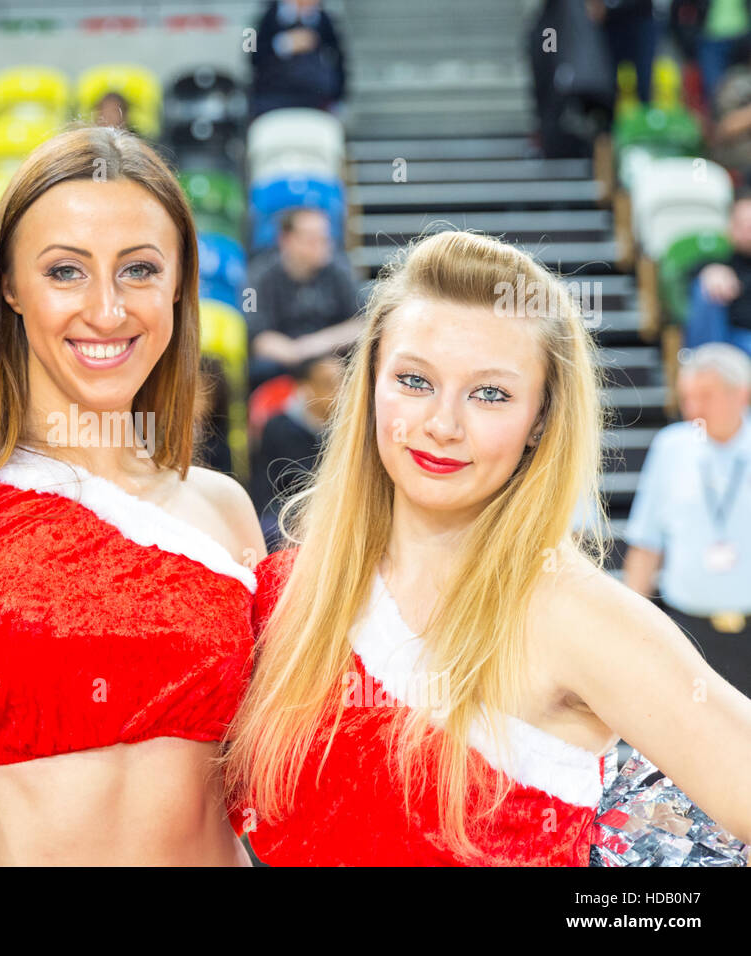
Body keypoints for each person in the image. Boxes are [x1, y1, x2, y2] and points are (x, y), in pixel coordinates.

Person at [225, 230, 751, 865]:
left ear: (540, 420)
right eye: (414, 380)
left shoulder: (573, 615)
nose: (442, 424)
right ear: (369, 385)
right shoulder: (290, 590)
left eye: (490, 394)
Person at [0, 125, 267, 866]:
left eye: (140, 270)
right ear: (7, 283)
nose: (106, 309)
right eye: (65, 271)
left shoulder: (223, 510)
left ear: (181, 282)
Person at [623, 343, 751, 697]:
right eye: (687, 397)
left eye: (705, 397)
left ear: (741, 394)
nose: (693, 409)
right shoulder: (672, 446)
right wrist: (630, 626)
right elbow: (647, 542)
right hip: (689, 632)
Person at [245, 206, 361, 390]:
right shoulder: (258, 275)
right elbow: (254, 332)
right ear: (286, 240)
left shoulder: (339, 270)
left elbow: (360, 322)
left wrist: (315, 345)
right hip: (281, 359)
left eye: (325, 238)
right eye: (312, 239)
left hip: (328, 353)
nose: (322, 245)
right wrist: (294, 352)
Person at [250, 353, 342, 548]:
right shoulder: (279, 426)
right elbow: (297, 482)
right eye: (330, 385)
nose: (340, 392)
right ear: (306, 389)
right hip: (283, 515)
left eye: (344, 383)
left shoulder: (348, 428)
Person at [249, 0, 347, 117]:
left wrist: (338, 97)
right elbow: (253, 55)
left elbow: (338, 59)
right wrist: (283, 44)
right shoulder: (268, 17)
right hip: (274, 99)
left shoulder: (324, 20)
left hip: (315, 99)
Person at [688, 190, 751, 354]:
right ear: (730, 227)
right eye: (742, 224)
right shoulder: (722, 261)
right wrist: (709, 272)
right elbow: (690, 272)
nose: (747, 230)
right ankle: (707, 367)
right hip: (732, 340)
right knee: (705, 288)